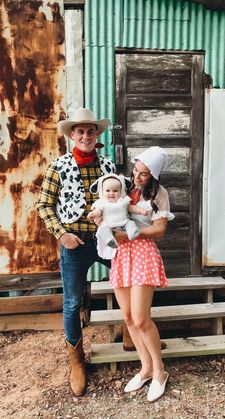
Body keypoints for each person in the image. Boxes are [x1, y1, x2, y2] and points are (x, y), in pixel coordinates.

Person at [37, 108, 116, 396]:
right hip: (74, 242)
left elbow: (117, 201)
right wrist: (63, 234)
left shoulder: (108, 166)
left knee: (130, 280)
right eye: (80, 131)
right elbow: (44, 206)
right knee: (71, 303)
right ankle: (77, 361)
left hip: (105, 238)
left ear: (97, 135)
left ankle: (135, 332)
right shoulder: (57, 167)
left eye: (90, 131)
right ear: (72, 135)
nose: (85, 136)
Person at [109, 146, 175, 402]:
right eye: (136, 171)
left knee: (141, 317)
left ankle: (160, 372)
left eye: (144, 174)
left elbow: (159, 230)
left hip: (143, 253)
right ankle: (145, 367)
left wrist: (130, 235)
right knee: (127, 317)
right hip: (122, 254)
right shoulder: (125, 188)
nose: (137, 177)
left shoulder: (160, 194)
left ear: (154, 176)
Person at [87, 173, 148, 257]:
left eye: (115, 191)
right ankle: (109, 240)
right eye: (108, 191)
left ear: (121, 191)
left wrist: (141, 211)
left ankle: (133, 233)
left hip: (123, 224)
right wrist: (93, 215)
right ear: (102, 191)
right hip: (109, 226)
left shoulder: (122, 202)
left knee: (130, 223)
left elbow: (131, 208)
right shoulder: (102, 203)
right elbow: (98, 211)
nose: (111, 193)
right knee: (102, 230)